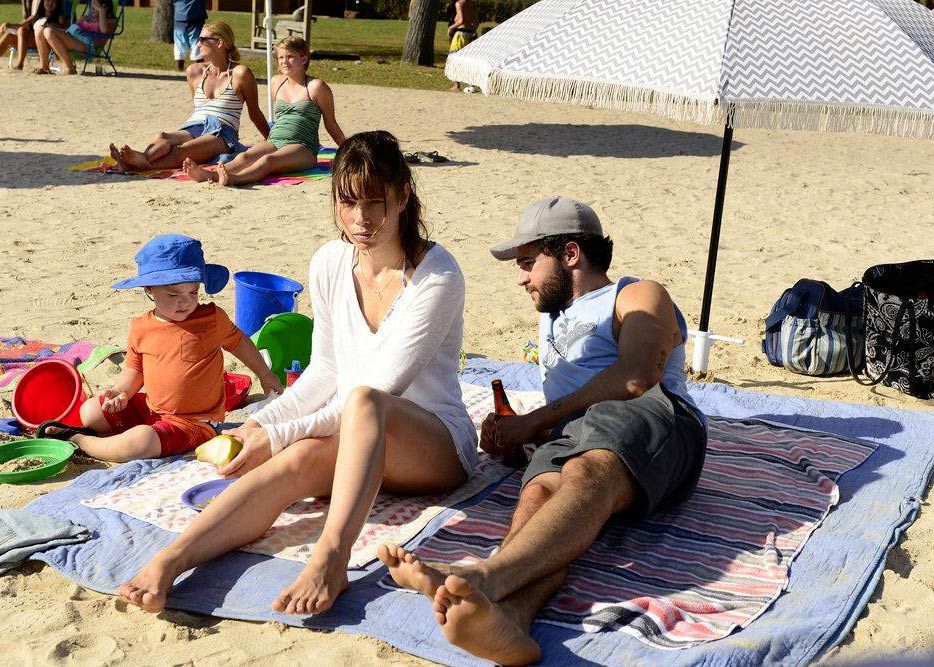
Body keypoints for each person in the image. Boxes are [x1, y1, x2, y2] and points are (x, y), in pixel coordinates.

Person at [116, 130, 477, 617]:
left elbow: (375, 391)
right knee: (289, 462)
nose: (361, 219)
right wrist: (262, 425)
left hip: (433, 445)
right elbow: (324, 371)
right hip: (356, 435)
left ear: (403, 195)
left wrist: (281, 432)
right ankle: (171, 560)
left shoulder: (437, 275)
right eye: (348, 202)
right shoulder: (330, 262)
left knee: (360, 406)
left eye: (375, 202)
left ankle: (332, 555)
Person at [379, 196, 709, 665]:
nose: (521, 277)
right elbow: (570, 405)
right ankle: (512, 617)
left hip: (654, 419)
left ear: (571, 254)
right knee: (538, 499)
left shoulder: (637, 294)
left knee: (586, 471)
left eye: (530, 263)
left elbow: (637, 377)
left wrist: (536, 420)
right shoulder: (549, 314)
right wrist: (522, 433)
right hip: (576, 433)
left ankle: (486, 576)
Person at [38, 234, 282, 462]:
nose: (185, 301)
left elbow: (239, 342)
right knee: (92, 410)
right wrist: (122, 393)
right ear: (149, 290)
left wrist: (264, 373)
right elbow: (135, 369)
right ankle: (105, 435)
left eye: (193, 291)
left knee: (141, 441)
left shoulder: (211, 319)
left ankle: (78, 440)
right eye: (173, 294)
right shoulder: (141, 327)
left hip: (196, 423)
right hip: (153, 409)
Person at [183, 35, 344, 187]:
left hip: (302, 147)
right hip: (275, 140)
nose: (284, 62)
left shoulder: (316, 87)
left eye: (290, 56)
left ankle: (235, 179)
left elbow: (331, 124)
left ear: (303, 59)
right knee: (244, 156)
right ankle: (209, 175)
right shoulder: (276, 82)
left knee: (268, 160)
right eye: (280, 57)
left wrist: (348, 150)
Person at [107, 22, 267, 173]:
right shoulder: (195, 72)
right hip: (195, 125)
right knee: (163, 137)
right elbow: (198, 109)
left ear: (219, 43)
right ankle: (141, 161)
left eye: (203, 40)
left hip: (222, 132)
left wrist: (274, 141)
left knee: (184, 151)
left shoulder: (240, 74)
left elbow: (255, 112)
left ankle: (135, 164)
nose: (198, 44)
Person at [34, 0, 116, 75]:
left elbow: (104, 31)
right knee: (40, 29)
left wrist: (101, 11)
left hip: (86, 46)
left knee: (48, 31)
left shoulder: (111, 21)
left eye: (95, 8)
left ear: (105, 8)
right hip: (72, 39)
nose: (92, 10)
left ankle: (70, 68)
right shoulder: (85, 18)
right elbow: (70, 29)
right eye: (92, 7)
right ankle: (44, 66)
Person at [0, 0, 66, 70]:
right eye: (47, 1)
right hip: (30, 41)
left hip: (44, 43)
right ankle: (19, 64)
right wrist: (8, 25)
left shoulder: (59, 16)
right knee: (9, 35)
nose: (49, 3)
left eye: (53, 2)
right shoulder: (36, 15)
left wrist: (50, 25)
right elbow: (21, 25)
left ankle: (20, 64)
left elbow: (63, 27)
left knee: (22, 30)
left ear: (57, 4)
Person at [446, 0, 478, 92]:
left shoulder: (459, 3)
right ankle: (471, 85)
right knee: (468, 60)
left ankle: (456, 85)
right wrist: (473, 30)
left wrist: (451, 28)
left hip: (460, 34)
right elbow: (476, 22)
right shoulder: (472, 4)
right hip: (470, 33)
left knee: (453, 59)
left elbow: (461, 20)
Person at [173, 0, 207, 72]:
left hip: (179, 16)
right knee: (197, 46)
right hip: (196, 16)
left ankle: (179, 71)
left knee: (179, 46)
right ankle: (201, 73)